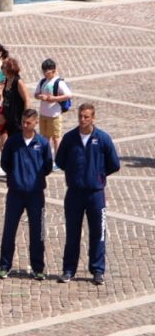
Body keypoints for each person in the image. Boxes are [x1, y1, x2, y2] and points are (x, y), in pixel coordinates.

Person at [55, 103, 120, 285]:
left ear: (93, 118)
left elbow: (114, 164)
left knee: (98, 232)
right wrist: (75, 174)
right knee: (72, 233)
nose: (83, 120)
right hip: (74, 193)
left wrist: (97, 175)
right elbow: (60, 161)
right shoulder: (70, 138)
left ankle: (97, 270)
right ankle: (69, 270)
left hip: (95, 194)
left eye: (86, 117)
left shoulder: (103, 139)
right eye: (81, 116)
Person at [0, 109, 52, 280]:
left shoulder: (42, 143)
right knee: (9, 230)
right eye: (23, 122)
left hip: (36, 194)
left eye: (28, 123)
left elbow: (48, 166)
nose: (25, 125)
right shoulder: (13, 142)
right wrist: (16, 176)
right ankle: (5, 266)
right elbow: (5, 163)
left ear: (35, 122)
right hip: (15, 193)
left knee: (37, 231)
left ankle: (38, 268)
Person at [34, 58, 72, 156]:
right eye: (44, 71)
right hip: (43, 114)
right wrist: (40, 97)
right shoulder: (43, 81)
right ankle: (46, 157)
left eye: (47, 71)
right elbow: (36, 94)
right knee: (45, 137)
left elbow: (68, 95)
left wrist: (54, 98)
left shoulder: (58, 82)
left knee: (56, 138)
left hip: (54, 114)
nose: (45, 73)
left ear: (53, 70)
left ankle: (58, 159)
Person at [1, 57, 30, 137]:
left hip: (18, 119)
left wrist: (25, 118)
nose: (1, 69)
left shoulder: (18, 82)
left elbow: (27, 99)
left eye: (3, 67)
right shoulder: (7, 80)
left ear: (9, 68)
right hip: (9, 119)